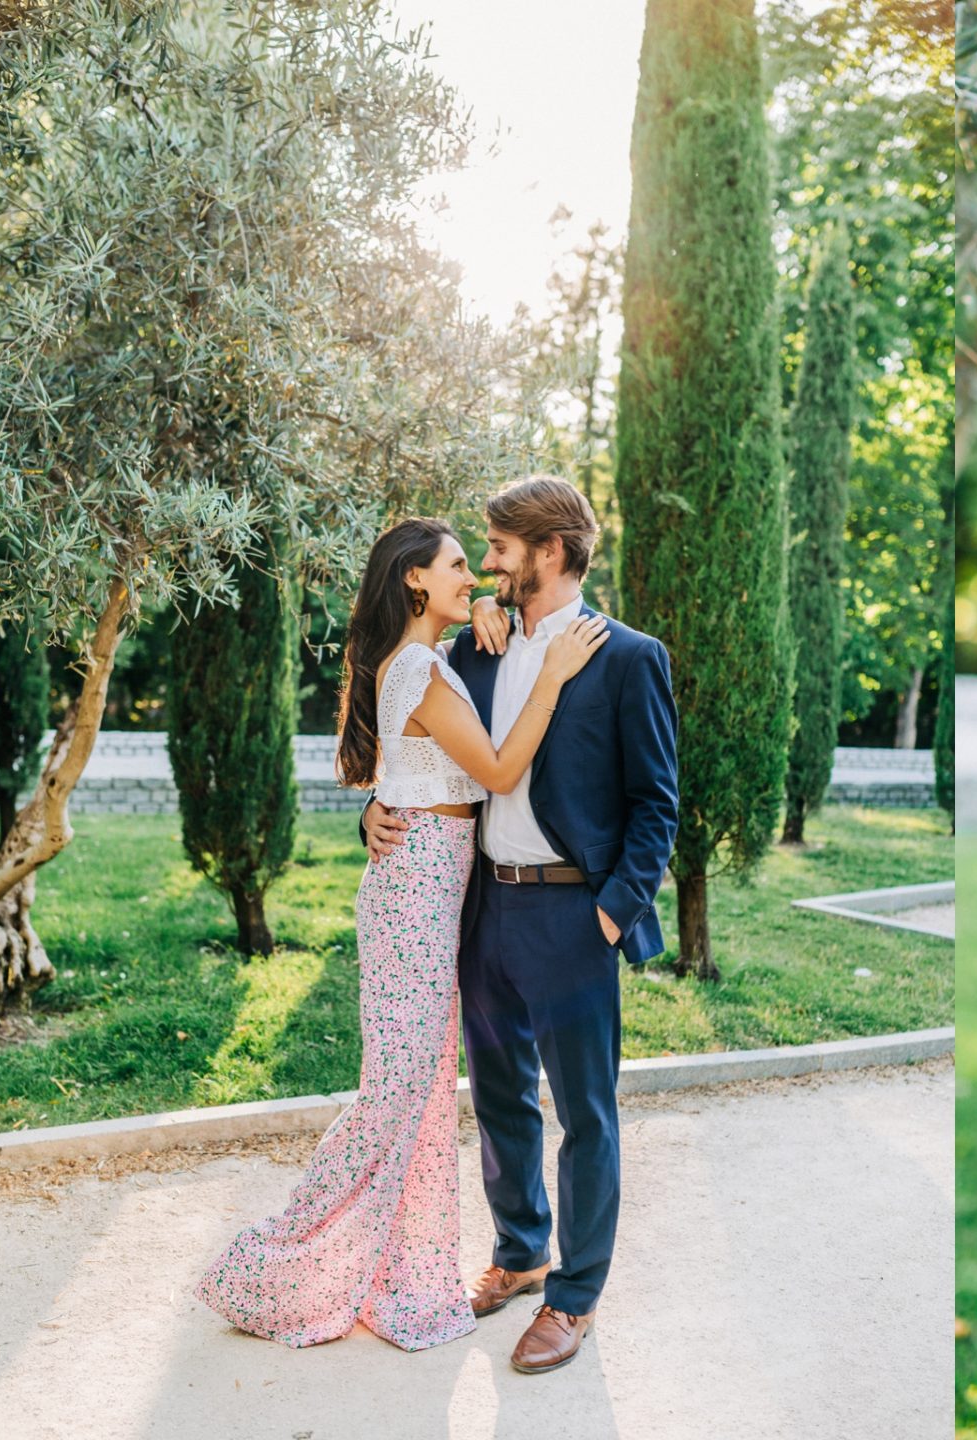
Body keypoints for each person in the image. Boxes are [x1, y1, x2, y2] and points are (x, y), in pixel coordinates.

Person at [194, 515, 607, 1351]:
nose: (476, 577)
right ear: (416, 580)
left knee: (419, 1097)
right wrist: (553, 676)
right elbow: (493, 773)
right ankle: (276, 1259)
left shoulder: (430, 660)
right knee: (397, 1091)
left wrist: (492, 623)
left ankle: (404, 1276)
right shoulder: (418, 666)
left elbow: (411, 773)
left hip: (433, 885)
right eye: (460, 566)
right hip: (415, 895)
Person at [364, 475, 679, 1376]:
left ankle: (573, 1298)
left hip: (575, 916)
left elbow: (657, 805)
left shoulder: (627, 657)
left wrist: (614, 915)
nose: (489, 562)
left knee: (585, 1113)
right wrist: (373, 816)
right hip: (483, 907)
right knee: (498, 1095)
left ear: (548, 553)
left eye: (499, 548)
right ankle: (520, 1251)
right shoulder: (475, 648)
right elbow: (419, 754)